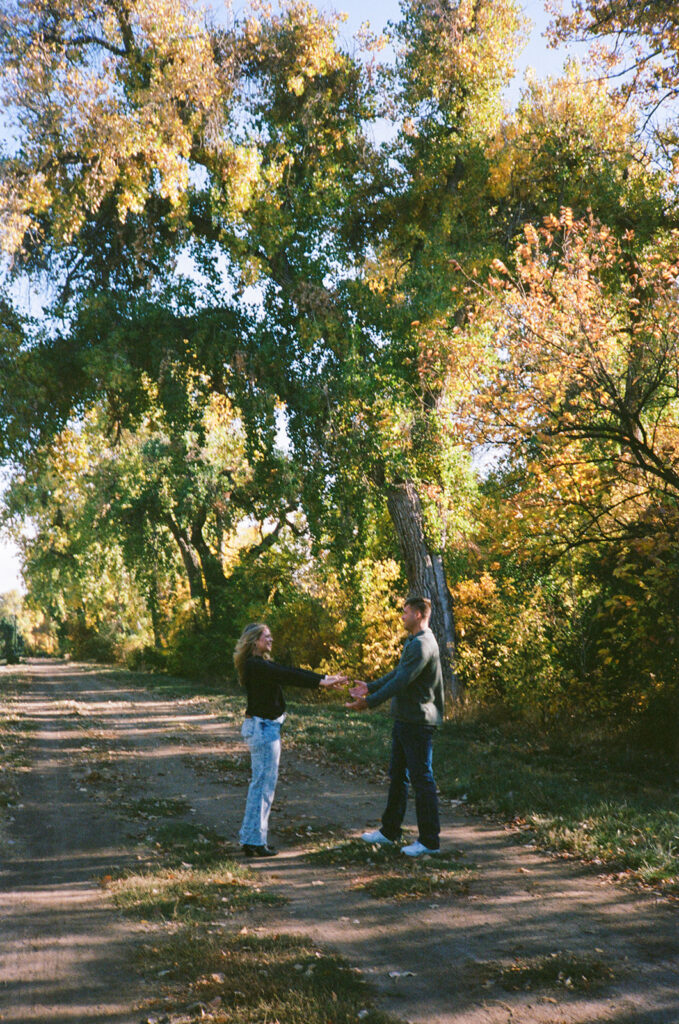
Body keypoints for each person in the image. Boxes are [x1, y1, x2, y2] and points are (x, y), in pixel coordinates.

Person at [234, 623, 346, 857]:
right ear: (255, 641)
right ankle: (254, 841)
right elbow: (289, 674)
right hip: (263, 729)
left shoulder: (258, 664)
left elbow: (288, 671)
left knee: (261, 786)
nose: (271, 639)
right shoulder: (256, 665)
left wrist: (324, 678)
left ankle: (251, 838)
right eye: (267, 636)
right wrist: (321, 681)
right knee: (263, 787)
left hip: (264, 727)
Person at [345, 595, 444, 857]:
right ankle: (390, 831)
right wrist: (371, 686)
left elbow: (401, 682)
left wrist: (369, 702)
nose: (402, 616)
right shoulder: (413, 643)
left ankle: (430, 842)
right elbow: (398, 674)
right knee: (398, 776)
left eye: (406, 612)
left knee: (422, 780)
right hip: (406, 720)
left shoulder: (423, 645)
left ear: (419, 615)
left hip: (418, 722)